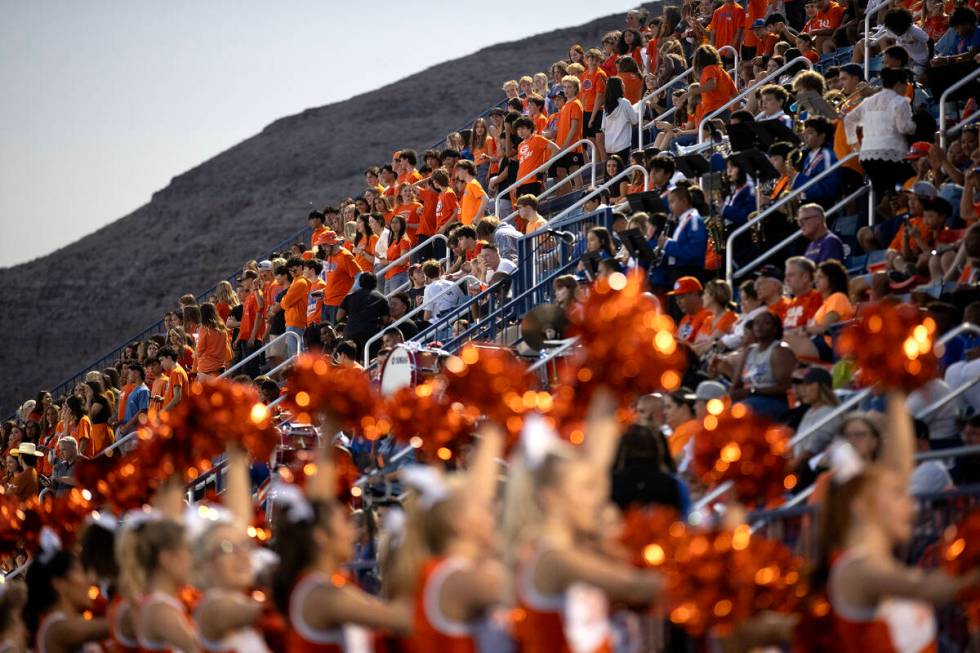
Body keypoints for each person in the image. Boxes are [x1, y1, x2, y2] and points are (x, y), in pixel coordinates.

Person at [815, 391, 980, 651]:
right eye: (896, 496)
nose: (910, 505)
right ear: (862, 507)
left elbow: (900, 468)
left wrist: (896, 389)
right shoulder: (858, 570)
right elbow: (931, 588)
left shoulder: (881, 561)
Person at [503, 393, 664, 653]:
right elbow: (636, 588)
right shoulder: (550, 556)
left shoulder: (579, 544)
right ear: (551, 497)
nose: (597, 498)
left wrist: (610, 390)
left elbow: (598, 466)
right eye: (585, 489)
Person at [271, 446, 411, 652]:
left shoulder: (324, 584)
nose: (351, 531)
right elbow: (405, 618)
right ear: (321, 537)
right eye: (345, 522)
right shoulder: (323, 595)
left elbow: (318, 505)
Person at [844, 68, 916, 200]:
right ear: (898, 84)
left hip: (867, 156)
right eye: (905, 84)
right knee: (908, 182)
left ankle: (884, 213)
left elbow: (848, 119)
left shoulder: (869, 101)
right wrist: (914, 126)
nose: (907, 87)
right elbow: (903, 128)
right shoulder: (900, 101)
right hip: (892, 154)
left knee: (881, 195)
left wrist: (855, 145)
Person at [24, 548, 109, 653]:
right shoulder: (55, 629)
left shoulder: (73, 621)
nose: (89, 580)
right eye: (80, 571)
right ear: (59, 584)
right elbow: (112, 625)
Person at [731, 311, 798, 419]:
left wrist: (755, 391)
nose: (759, 326)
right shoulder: (750, 350)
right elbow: (736, 385)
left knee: (742, 410)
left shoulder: (780, 351)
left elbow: (787, 387)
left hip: (773, 401)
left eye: (766, 323)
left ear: (775, 328)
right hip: (750, 398)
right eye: (756, 323)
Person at [656, 185, 709, 278]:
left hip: (688, 272)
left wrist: (667, 244)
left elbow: (695, 251)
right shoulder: (682, 220)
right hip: (679, 271)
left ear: (684, 201)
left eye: (672, 202)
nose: (670, 207)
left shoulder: (693, 220)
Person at [793, 116, 841, 209]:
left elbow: (828, 189)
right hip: (807, 203)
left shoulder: (827, 155)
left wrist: (797, 178)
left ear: (822, 135)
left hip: (820, 206)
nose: (805, 136)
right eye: (804, 133)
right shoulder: (808, 156)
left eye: (810, 132)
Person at [338, 272, 390, 356]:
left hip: (351, 332)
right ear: (375, 283)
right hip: (370, 333)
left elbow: (339, 317)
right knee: (368, 362)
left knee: (352, 361)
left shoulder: (350, 296)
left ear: (360, 283)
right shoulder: (382, 298)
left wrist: (353, 320)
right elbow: (386, 320)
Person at [692, 279, 738, 354]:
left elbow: (709, 346)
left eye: (704, 293)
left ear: (713, 296)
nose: (702, 297)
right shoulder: (708, 319)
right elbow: (696, 344)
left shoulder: (729, 317)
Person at [599, 77, 638, 161]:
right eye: (622, 83)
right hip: (623, 145)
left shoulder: (606, 106)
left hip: (609, 147)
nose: (624, 85)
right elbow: (635, 121)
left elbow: (603, 127)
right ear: (619, 87)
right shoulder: (625, 103)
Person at [782, 256, 823, 330]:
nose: (786, 279)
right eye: (786, 275)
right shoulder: (790, 303)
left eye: (791, 275)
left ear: (805, 277)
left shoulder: (817, 298)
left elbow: (812, 330)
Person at [668, 276, 712, 343]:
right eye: (676, 299)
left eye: (681, 297)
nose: (678, 302)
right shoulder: (685, 319)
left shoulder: (708, 316)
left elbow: (701, 346)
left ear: (695, 294)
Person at [194, 303, 231, 379]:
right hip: (220, 369)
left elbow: (199, 352)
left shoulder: (204, 329)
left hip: (206, 370)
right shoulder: (222, 329)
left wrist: (196, 344)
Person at [456, 161, 488, 226]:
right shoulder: (469, 184)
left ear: (466, 170)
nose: (457, 173)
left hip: (473, 225)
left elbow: (486, 199)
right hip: (468, 225)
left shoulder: (473, 183)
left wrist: (477, 217)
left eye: (459, 170)